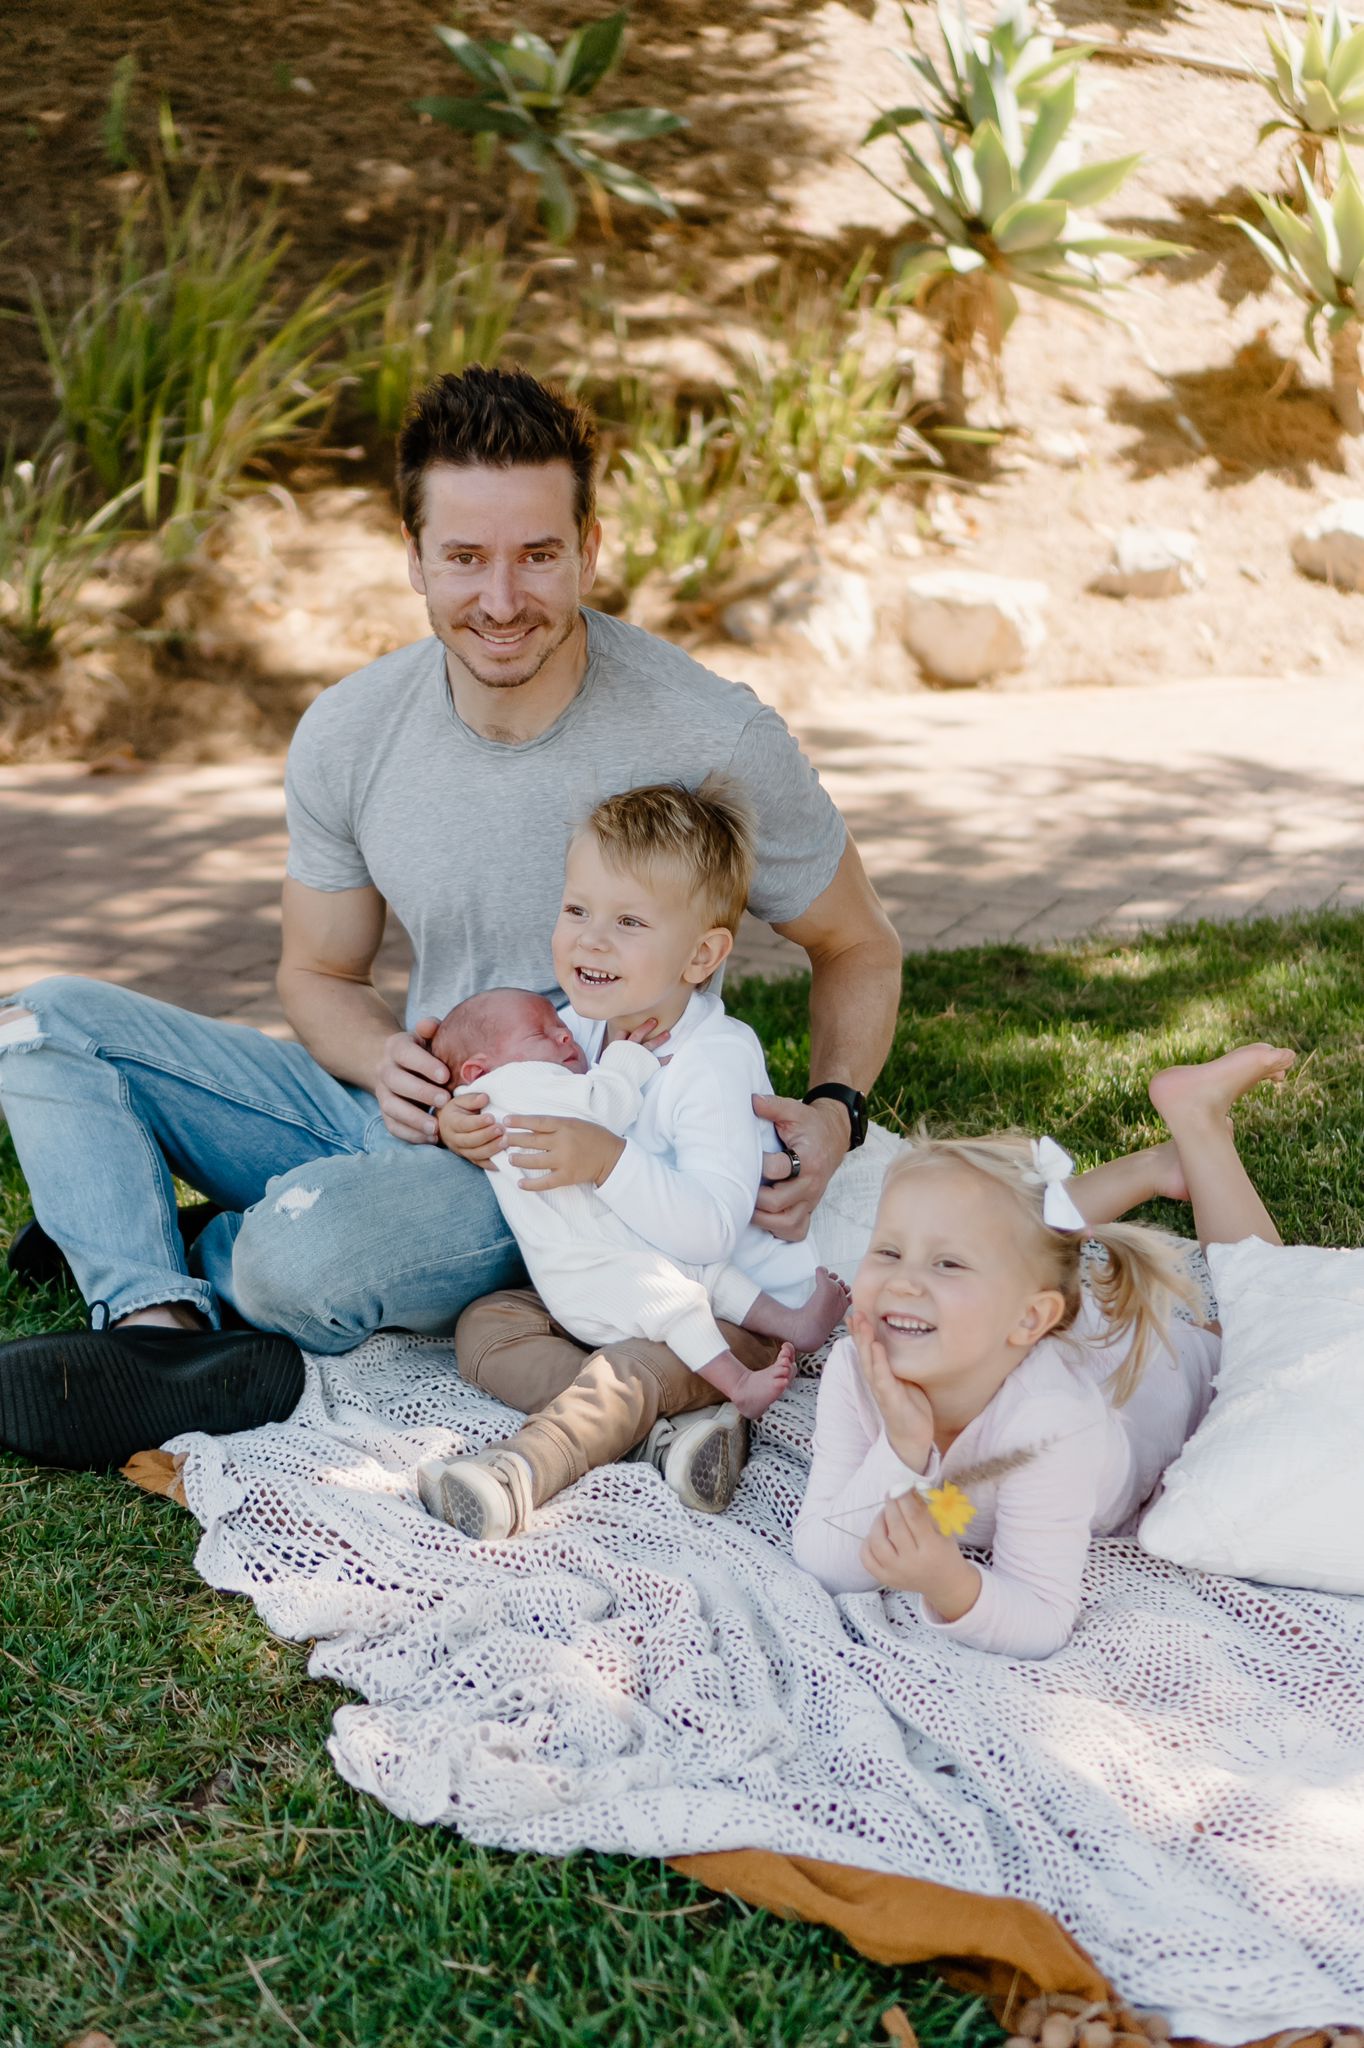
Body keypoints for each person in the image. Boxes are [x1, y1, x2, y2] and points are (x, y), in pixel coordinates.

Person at [0, 364, 900, 1471]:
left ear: (590, 544)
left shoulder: (709, 733)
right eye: (465, 557)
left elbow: (856, 942)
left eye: (537, 554)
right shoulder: (349, 730)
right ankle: (154, 1328)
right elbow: (319, 975)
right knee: (39, 1020)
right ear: (414, 557)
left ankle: (176, 1228)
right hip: (404, 1104)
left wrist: (836, 1107)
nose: (502, 597)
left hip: (558, 1165)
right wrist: (386, 1061)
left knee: (305, 1261)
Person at [414, 781, 849, 1540]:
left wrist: (609, 1160)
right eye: (577, 910)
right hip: (612, 1290)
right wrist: (463, 1121)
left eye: (628, 922)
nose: (589, 940)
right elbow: (521, 1099)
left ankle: (520, 1473)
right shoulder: (578, 1032)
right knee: (485, 1331)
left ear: (702, 955)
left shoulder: (713, 1061)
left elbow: (712, 1231)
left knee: (629, 1371)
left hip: (722, 1309)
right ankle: (659, 1430)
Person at [793, 1043, 1295, 1659]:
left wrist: (953, 1586)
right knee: (1012, 1234)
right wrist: (900, 1446)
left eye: (946, 1263)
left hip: (1157, 1374)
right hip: (1037, 1332)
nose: (902, 1281)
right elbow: (826, 1558)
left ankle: (1195, 1122)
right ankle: (1153, 1165)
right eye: (888, 1252)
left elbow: (1040, 1615)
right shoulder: (857, 1369)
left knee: (1268, 1312)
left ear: (1029, 1319)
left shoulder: (1049, 1427)